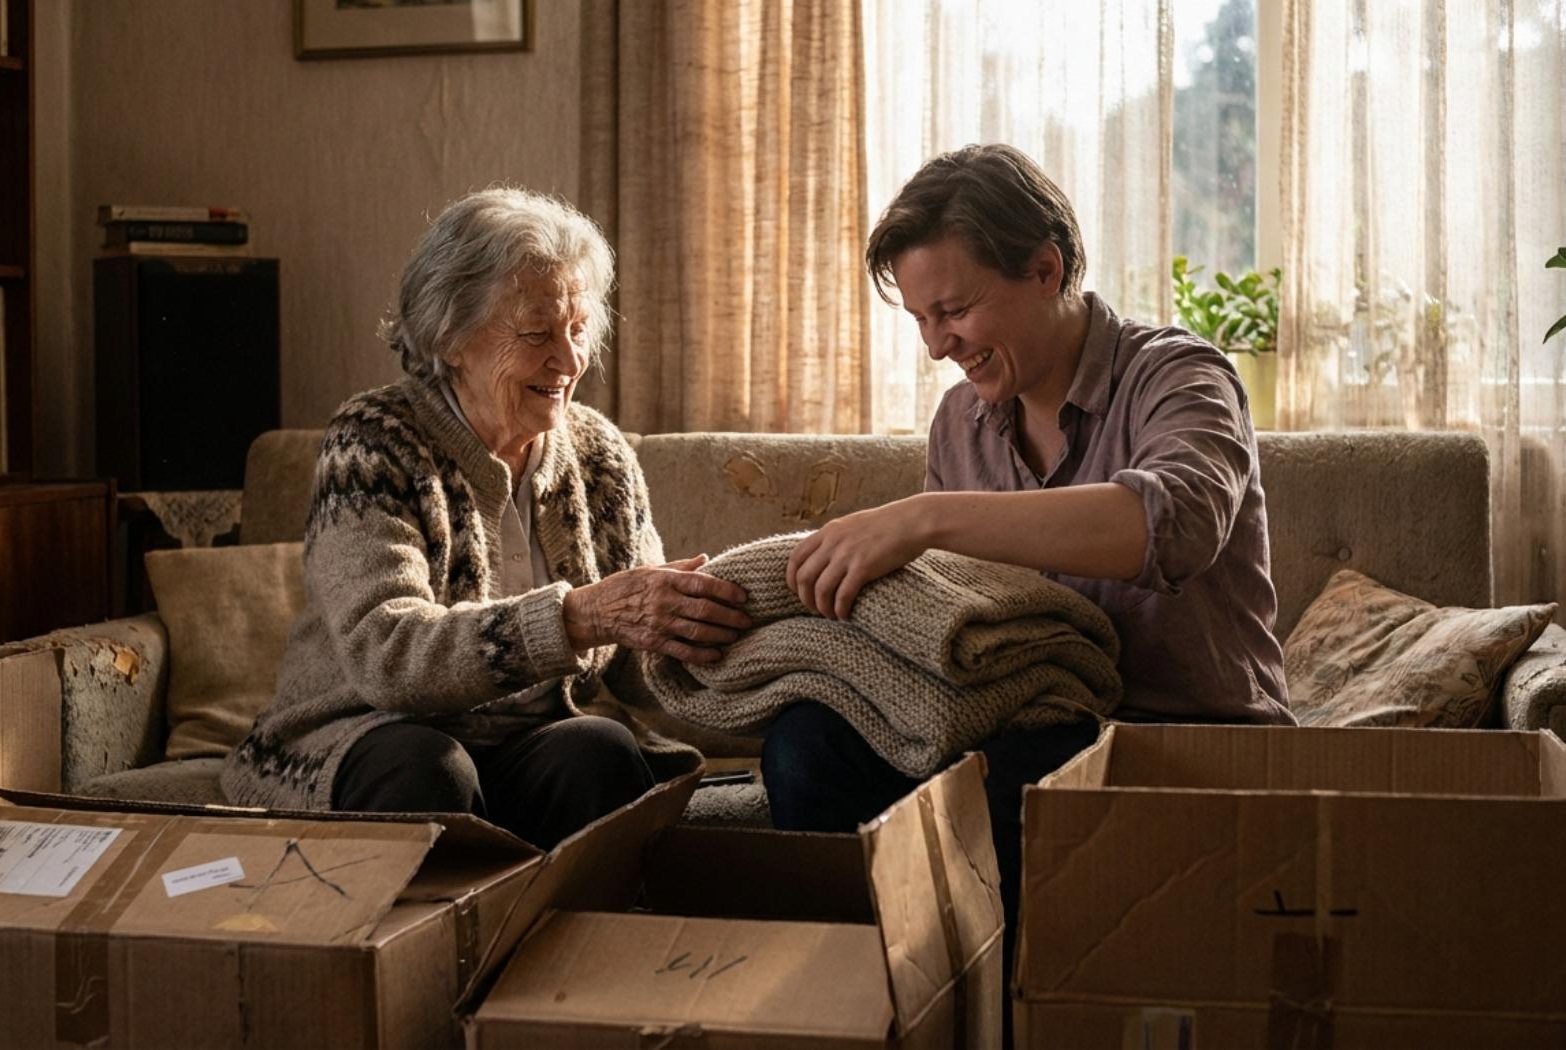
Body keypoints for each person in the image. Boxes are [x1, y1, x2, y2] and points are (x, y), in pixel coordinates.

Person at [762, 144, 1294, 1036]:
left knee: (1013, 788)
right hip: (1026, 724)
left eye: (956, 310)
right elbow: (954, 620)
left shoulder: (1179, 374)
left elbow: (1173, 526)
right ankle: (860, 1017)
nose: (938, 347)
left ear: (1046, 268)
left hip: (1185, 737)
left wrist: (926, 518)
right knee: (807, 746)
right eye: (923, 321)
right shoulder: (961, 421)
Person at [222, 187, 750, 848]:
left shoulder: (598, 456)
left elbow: (636, 666)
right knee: (427, 769)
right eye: (537, 334)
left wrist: (738, 645)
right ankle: (430, 953)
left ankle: (581, 949)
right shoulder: (375, 441)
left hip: (528, 737)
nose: (569, 360)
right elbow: (389, 654)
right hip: (368, 730)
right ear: (451, 336)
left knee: (601, 751)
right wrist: (578, 617)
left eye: (578, 329)